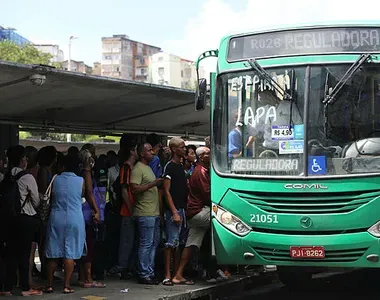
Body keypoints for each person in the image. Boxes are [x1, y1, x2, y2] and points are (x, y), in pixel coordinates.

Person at [44, 155, 85, 294]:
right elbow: (84, 195)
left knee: (53, 253)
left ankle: (49, 285)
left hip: (56, 217)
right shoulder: (81, 180)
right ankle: (66, 286)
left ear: (63, 166)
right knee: (70, 253)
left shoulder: (55, 179)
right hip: (74, 218)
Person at [130, 143, 163, 285]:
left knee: (154, 243)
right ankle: (143, 273)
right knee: (146, 244)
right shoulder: (138, 169)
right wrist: (153, 184)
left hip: (153, 213)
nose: (153, 153)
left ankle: (149, 271)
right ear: (142, 154)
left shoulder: (148, 168)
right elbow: (134, 189)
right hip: (145, 213)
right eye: (149, 151)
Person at [162, 138, 188, 286]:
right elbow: (166, 190)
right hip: (174, 210)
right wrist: (173, 211)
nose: (184, 149)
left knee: (179, 243)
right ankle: (167, 274)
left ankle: (176, 274)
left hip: (182, 209)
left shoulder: (181, 167)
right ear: (174, 149)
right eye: (181, 147)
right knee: (170, 243)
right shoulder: (170, 167)